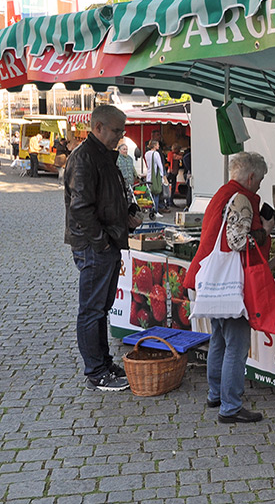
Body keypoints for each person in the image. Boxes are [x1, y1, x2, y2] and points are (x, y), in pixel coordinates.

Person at [184, 152, 274, 424]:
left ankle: (216, 394)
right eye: (259, 180)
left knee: (219, 340)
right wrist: (266, 231)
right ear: (250, 177)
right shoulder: (242, 199)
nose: (259, 185)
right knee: (236, 345)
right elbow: (239, 242)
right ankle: (231, 406)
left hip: (212, 280)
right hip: (231, 283)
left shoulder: (221, 194)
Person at [64, 105, 141, 391]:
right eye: (117, 130)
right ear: (98, 128)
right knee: (93, 309)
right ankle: (96, 372)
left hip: (105, 242)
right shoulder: (85, 158)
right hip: (95, 246)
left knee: (101, 308)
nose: (121, 135)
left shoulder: (102, 156)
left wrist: (127, 213)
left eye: (122, 130)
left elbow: (110, 197)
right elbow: (81, 209)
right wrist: (103, 241)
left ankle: (103, 363)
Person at [143, 140, 170, 212]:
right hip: (155, 176)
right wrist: (163, 175)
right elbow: (160, 165)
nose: (159, 146)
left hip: (149, 175)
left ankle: (150, 209)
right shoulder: (156, 154)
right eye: (157, 145)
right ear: (154, 145)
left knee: (150, 194)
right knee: (156, 193)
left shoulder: (146, 154)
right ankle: (155, 210)